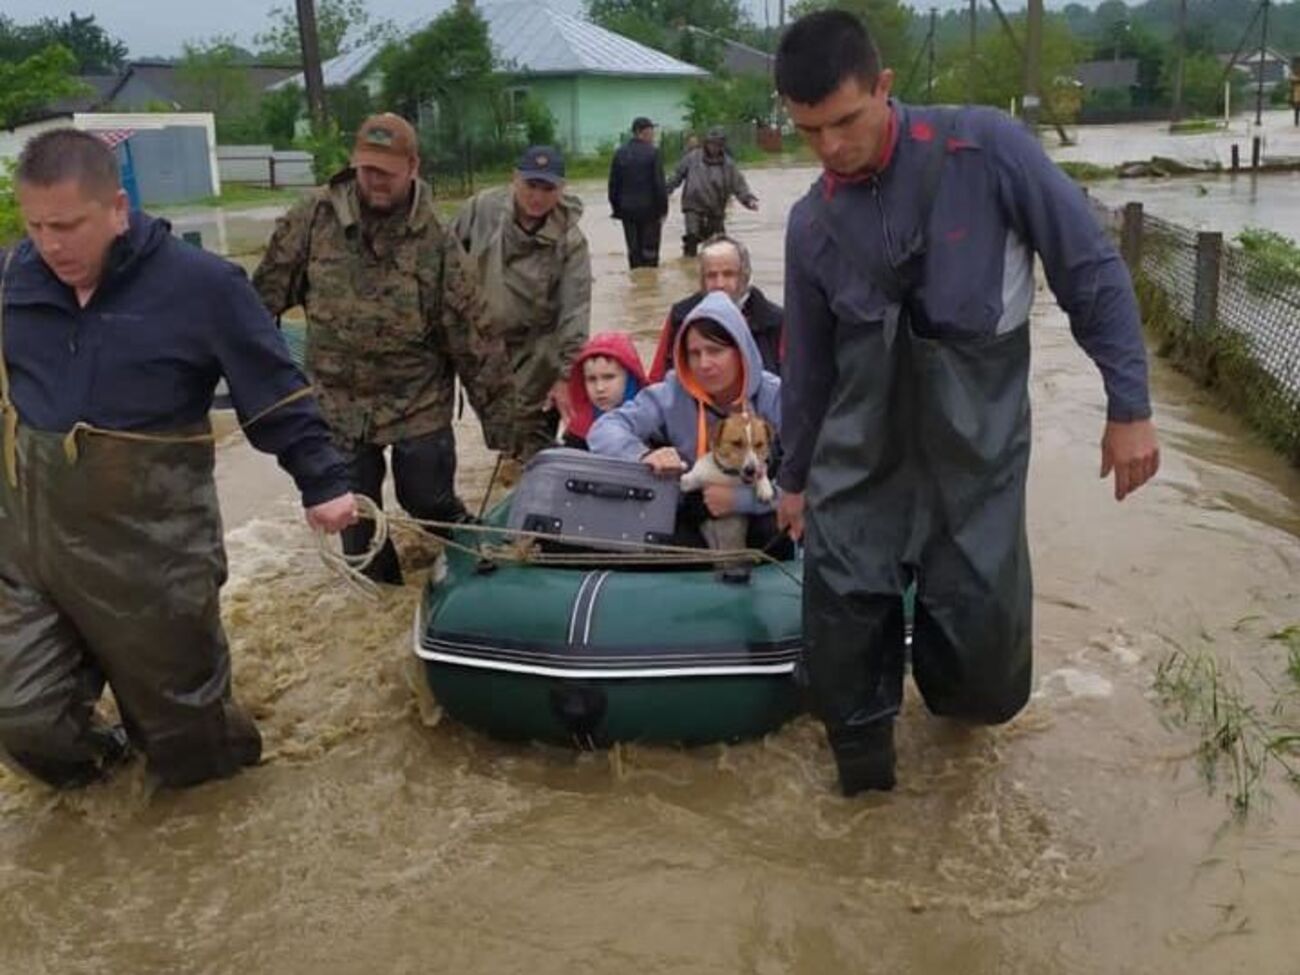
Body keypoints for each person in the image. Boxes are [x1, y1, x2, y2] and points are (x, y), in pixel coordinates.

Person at [773, 11, 1161, 796]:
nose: (831, 148)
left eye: (845, 121)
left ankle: (957, 773)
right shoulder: (810, 223)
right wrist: (793, 476)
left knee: (984, 666)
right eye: (808, 131)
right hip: (860, 457)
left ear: (884, 87)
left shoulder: (986, 150)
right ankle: (867, 814)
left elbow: (1088, 268)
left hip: (973, 447)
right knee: (841, 648)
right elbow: (808, 366)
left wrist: (1130, 405)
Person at [0, 129, 357, 790]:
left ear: (117, 208)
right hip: (30, 550)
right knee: (21, 716)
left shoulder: (201, 286)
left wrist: (324, 481)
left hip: (152, 554)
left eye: (69, 225)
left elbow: (274, 389)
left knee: (192, 751)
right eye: (37, 225)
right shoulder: (13, 278)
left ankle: (219, 817)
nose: (51, 244)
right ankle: (109, 789)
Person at [254, 113, 514, 587]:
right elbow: (258, 304)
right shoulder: (313, 218)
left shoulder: (437, 239)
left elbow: (474, 338)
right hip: (338, 405)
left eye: (385, 173)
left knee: (428, 501)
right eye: (366, 169)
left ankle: (491, 567)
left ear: (412, 166)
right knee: (357, 523)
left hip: (418, 403)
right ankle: (388, 613)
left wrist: (506, 429)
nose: (373, 182)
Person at [588, 292, 786, 556]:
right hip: (693, 510)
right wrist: (644, 455)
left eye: (715, 351)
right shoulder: (671, 393)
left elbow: (815, 481)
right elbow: (604, 429)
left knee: (775, 528)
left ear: (741, 351)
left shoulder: (776, 396)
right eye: (694, 353)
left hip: (764, 512)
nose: (704, 363)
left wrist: (739, 501)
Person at [453, 145, 592, 466]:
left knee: (531, 441)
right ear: (514, 180)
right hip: (484, 346)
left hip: (538, 349)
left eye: (548, 188)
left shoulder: (571, 242)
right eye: (531, 185)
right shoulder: (482, 210)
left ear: (561, 189)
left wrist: (565, 377)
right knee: (502, 433)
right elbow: (445, 262)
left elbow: (575, 313)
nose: (537, 197)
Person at [648, 234, 783, 381]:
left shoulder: (774, 322)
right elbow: (657, 378)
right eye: (711, 275)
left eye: (728, 274)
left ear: (745, 276)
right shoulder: (681, 316)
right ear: (701, 280)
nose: (720, 284)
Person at [665, 126, 759, 258]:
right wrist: (665, 191)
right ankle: (689, 266)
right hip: (693, 206)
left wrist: (748, 199)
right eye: (711, 143)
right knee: (692, 237)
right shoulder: (692, 158)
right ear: (706, 143)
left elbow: (738, 185)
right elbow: (677, 175)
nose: (714, 147)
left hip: (716, 209)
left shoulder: (728, 164)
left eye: (718, 144)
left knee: (718, 247)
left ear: (722, 145)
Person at [561, 332, 647, 451]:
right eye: (591, 379)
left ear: (630, 379)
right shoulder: (577, 432)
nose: (599, 388)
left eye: (609, 377)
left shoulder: (653, 426)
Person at [608, 117, 669, 269]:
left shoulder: (620, 153)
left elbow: (613, 185)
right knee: (650, 253)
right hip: (650, 212)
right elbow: (659, 185)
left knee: (633, 251)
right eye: (650, 132)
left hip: (627, 211)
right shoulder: (653, 153)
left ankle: (636, 281)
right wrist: (663, 210)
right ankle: (650, 286)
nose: (653, 135)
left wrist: (616, 209)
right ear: (641, 132)